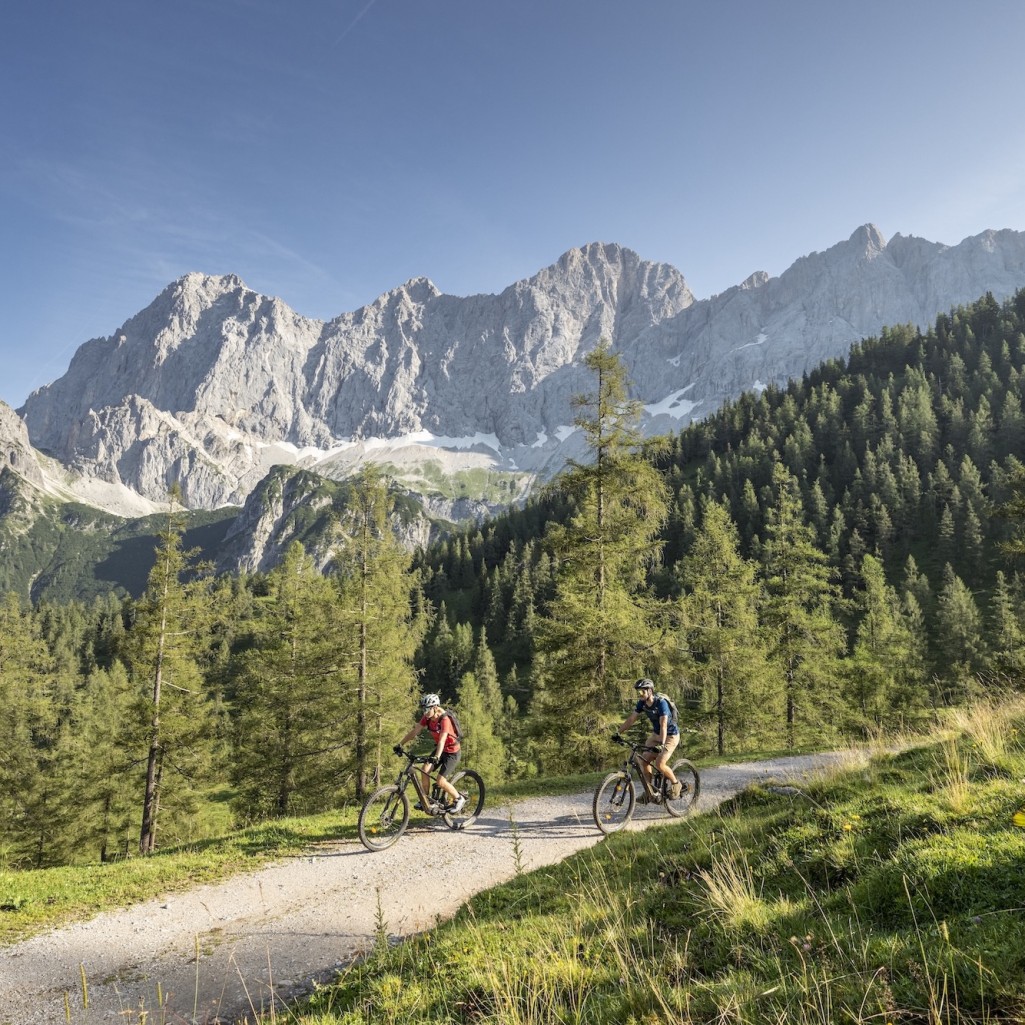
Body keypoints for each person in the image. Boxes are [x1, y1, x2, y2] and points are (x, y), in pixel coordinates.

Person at [394, 693, 466, 814]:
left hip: (452, 752)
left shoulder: (444, 720)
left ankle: (459, 799)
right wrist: (400, 744)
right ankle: (426, 800)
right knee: (425, 770)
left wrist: (436, 757)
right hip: (440, 749)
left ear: (435, 707)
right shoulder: (427, 717)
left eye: (427, 709)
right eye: (424, 709)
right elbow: (415, 731)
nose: (425, 712)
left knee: (440, 781)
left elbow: (443, 739)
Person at [613, 678, 682, 800]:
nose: (639, 695)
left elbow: (664, 724)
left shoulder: (661, 703)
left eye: (642, 692)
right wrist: (618, 732)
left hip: (670, 736)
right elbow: (631, 719)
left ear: (650, 691)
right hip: (656, 735)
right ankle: (650, 792)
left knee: (660, 764)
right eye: (638, 692)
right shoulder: (642, 703)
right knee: (644, 761)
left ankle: (676, 784)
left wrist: (662, 743)